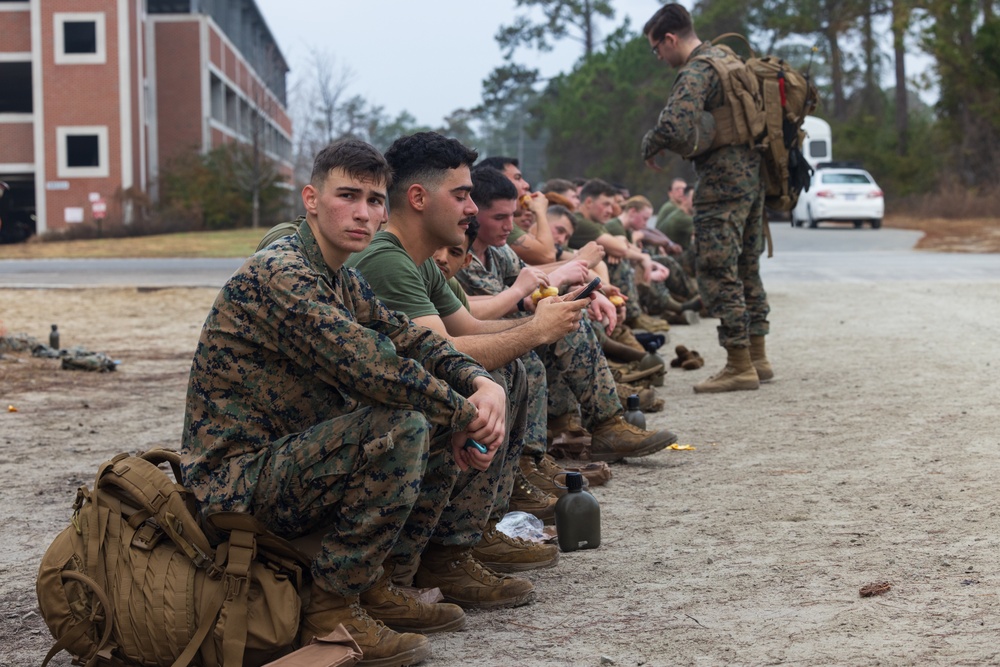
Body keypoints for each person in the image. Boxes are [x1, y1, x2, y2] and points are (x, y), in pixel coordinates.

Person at [181, 139, 513, 666]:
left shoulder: (341, 276)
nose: (363, 213)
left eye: (376, 201)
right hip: (235, 482)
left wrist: (478, 380)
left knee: (423, 415)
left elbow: (409, 339)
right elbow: (372, 367)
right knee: (404, 423)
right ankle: (332, 609)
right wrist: (466, 412)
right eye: (348, 196)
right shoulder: (282, 273)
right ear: (312, 199)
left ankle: (377, 584)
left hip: (290, 457)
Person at [346, 132, 589, 605]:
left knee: (510, 368)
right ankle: (425, 561)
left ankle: (467, 536)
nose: (472, 208)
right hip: (361, 423)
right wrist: (534, 330)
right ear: (418, 198)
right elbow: (447, 352)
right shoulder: (386, 260)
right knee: (474, 387)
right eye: (461, 195)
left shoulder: (417, 260)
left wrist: (544, 319)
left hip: (378, 409)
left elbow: (471, 327)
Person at [457, 166, 677, 467]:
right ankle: (532, 460)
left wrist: (586, 290)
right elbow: (507, 299)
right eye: (499, 218)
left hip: (496, 328)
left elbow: (539, 282)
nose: (510, 226)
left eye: (511, 216)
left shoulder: (498, 252)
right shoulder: (457, 255)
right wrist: (567, 275)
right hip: (477, 337)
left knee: (568, 316)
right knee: (538, 346)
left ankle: (603, 423)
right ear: (473, 213)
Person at [642, 3, 772, 392]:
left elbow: (674, 124)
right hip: (753, 178)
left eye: (656, 49)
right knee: (747, 266)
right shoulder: (730, 59)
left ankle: (738, 364)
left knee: (717, 269)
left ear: (670, 38)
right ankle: (758, 357)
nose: (659, 57)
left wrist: (652, 143)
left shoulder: (698, 69)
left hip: (721, 183)